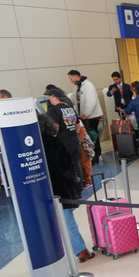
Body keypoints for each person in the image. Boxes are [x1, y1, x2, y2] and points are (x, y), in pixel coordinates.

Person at [37, 111, 95, 262]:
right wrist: (75, 180)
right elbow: (67, 167)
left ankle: (53, 254)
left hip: (39, 191)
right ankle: (81, 251)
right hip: (59, 188)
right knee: (68, 221)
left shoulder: (31, 146)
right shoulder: (54, 143)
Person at [45, 87, 82, 185]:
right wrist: (74, 134)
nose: (49, 99)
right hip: (74, 140)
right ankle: (78, 185)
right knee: (75, 164)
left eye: (50, 97)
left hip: (63, 142)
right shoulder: (69, 108)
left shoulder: (53, 110)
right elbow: (78, 126)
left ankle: (69, 187)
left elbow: (55, 127)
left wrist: (52, 137)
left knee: (64, 165)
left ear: (54, 97)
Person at [68, 69, 103, 165]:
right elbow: (74, 99)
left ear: (76, 76)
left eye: (71, 78)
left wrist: (85, 114)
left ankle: (96, 156)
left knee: (93, 137)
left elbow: (91, 102)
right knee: (89, 138)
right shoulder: (78, 87)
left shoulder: (88, 86)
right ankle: (92, 156)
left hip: (91, 117)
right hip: (84, 117)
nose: (71, 81)